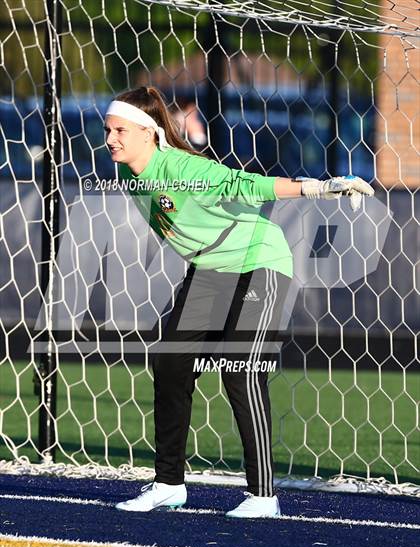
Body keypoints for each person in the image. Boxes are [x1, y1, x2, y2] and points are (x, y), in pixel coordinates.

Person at [104, 86, 374, 518]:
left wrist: (320, 188)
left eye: (120, 130)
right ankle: (168, 484)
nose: (111, 138)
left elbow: (244, 184)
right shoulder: (130, 174)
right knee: (172, 365)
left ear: (148, 133)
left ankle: (263, 496)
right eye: (108, 130)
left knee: (239, 370)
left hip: (257, 262)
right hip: (210, 271)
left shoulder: (182, 168)